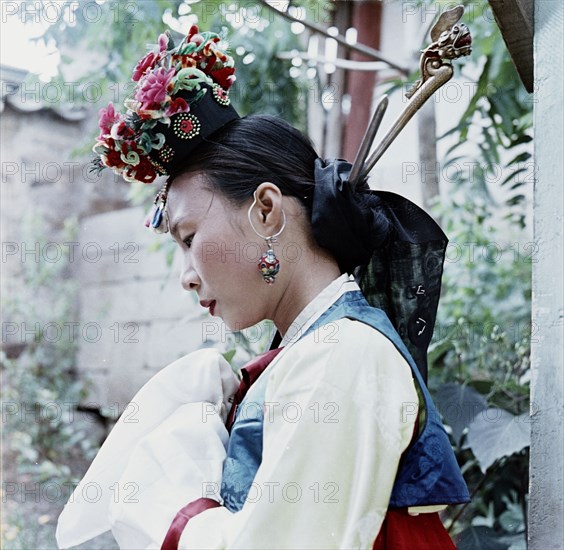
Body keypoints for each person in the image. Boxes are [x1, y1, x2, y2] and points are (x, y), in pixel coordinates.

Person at [57, 25, 469, 550]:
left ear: (266, 209)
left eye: (189, 238)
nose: (186, 274)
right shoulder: (311, 352)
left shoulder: (343, 355)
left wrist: (177, 497)